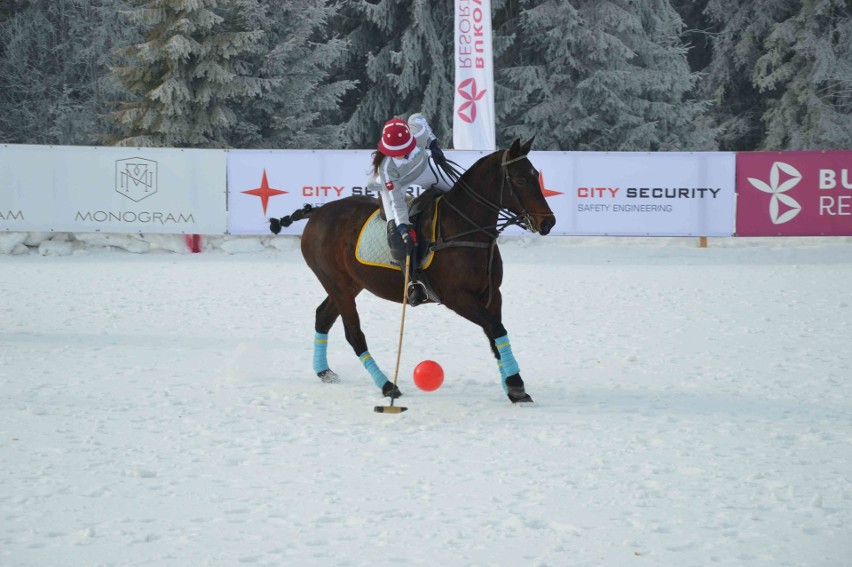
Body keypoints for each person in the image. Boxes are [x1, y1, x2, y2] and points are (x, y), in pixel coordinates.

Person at [368, 113, 450, 306]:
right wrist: (403, 227)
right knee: (397, 237)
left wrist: (433, 145)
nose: (401, 154)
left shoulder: (418, 134)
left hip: (424, 171)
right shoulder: (386, 167)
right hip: (396, 185)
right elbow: (397, 201)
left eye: (405, 149)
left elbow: (418, 117)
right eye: (396, 152)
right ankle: (414, 283)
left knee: (459, 193)